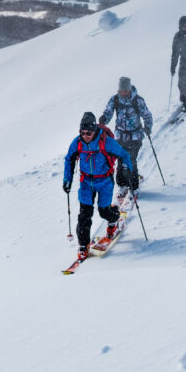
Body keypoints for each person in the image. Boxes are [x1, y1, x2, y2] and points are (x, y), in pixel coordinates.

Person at [63, 111, 133, 260]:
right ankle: (83, 246)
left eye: (88, 132)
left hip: (104, 182)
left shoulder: (106, 142)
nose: (85, 136)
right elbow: (69, 159)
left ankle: (114, 220)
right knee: (84, 215)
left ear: (94, 130)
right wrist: (67, 180)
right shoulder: (77, 142)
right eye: (82, 132)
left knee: (104, 212)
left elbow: (124, 155)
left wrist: (128, 170)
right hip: (86, 182)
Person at [99, 76, 153, 198]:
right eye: (121, 91)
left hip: (135, 136)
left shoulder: (137, 100)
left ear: (129, 89)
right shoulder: (115, 100)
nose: (123, 93)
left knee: (130, 161)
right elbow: (108, 112)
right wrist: (104, 119)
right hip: (120, 136)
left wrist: (148, 127)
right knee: (120, 161)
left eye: (125, 90)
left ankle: (134, 187)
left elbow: (147, 115)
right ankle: (122, 184)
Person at [171, 15, 186, 111]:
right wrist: (173, 66)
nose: (184, 28)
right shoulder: (178, 36)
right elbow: (175, 53)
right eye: (182, 26)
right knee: (182, 83)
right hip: (184, 61)